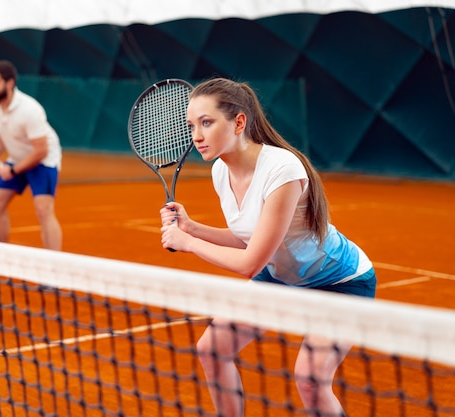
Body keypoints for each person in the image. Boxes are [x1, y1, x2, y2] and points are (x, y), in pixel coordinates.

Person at [159, 78, 376, 417]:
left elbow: (250, 262)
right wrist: (193, 228)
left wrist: (188, 243)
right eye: (191, 126)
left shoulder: (282, 169)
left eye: (207, 122)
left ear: (239, 122)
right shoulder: (220, 171)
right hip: (281, 276)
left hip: (340, 283)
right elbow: (251, 237)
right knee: (212, 349)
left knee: (309, 379)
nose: (196, 136)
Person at [0, 60, 62, 250]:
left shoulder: (30, 110)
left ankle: (55, 266)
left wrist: (13, 170)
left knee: (43, 210)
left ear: (9, 83)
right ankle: (2, 256)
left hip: (44, 159)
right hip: (18, 158)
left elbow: (41, 150)